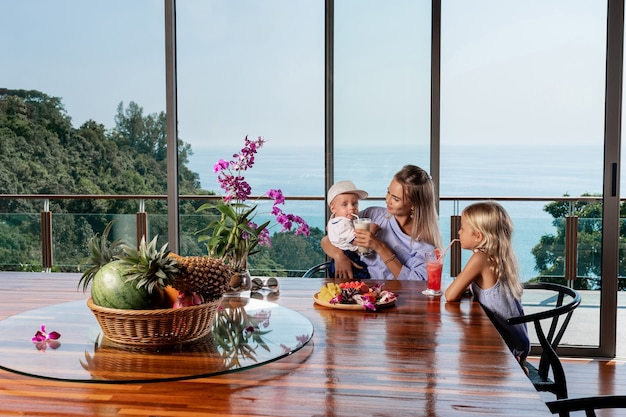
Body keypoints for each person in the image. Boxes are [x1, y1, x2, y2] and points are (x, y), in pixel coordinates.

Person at [444, 201, 530, 366]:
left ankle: (519, 369)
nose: (458, 232)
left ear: (478, 236)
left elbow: (450, 295)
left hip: (505, 345)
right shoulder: (497, 255)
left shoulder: (480, 258)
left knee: (460, 362)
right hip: (515, 337)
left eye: (462, 228)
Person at [321, 165, 442, 280]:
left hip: (393, 296)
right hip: (359, 290)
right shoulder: (373, 215)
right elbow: (328, 238)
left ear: (413, 205)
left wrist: (380, 247)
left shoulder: (423, 244)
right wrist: (339, 256)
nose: (387, 200)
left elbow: (418, 282)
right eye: (388, 192)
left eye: (396, 199)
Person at [326, 180, 371, 279]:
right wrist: (371, 232)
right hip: (349, 257)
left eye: (354, 203)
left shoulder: (334, 221)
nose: (351, 208)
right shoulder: (342, 224)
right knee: (364, 278)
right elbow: (356, 241)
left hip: (339, 259)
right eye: (344, 204)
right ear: (333, 208)